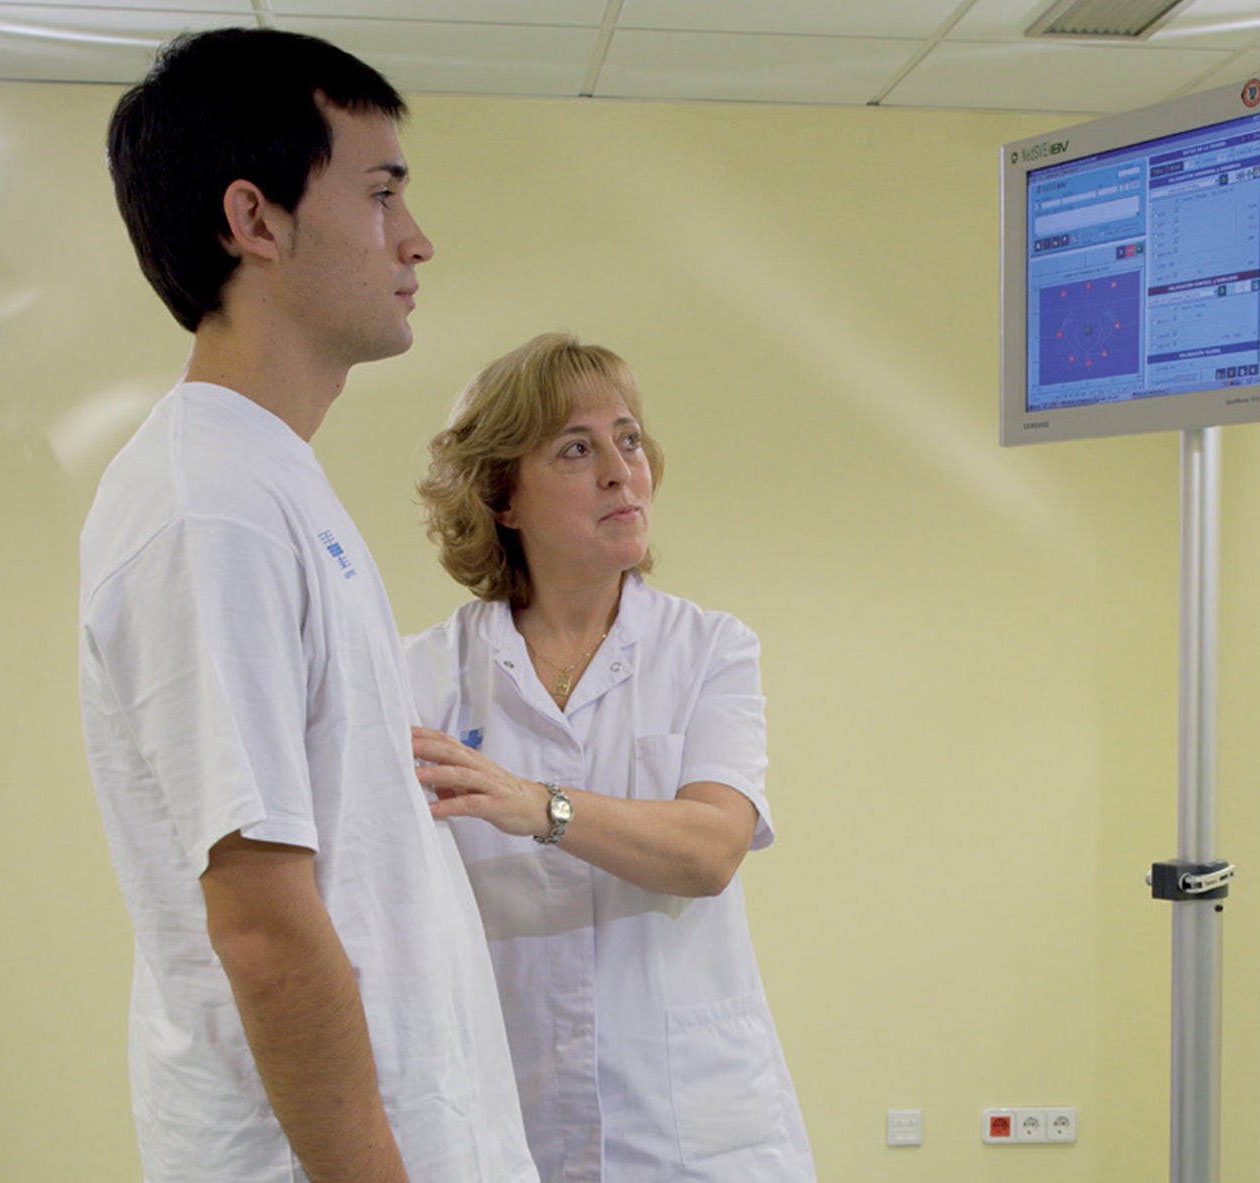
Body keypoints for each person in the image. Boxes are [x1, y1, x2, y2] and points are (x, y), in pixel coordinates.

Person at [79, 28, 538, 1182]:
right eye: (380, 194)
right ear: (256, 220)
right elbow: (261, 927)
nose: (415, 238)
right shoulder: (209, 506)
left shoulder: (272, 479)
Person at [405, 332, 816, 1182]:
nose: (619, 470)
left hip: (688, 1133)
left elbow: (711, 849)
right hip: (508, 1118)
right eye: (575, 449)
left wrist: (541, 806)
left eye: (628, 439)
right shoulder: (424, 677)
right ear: (502, 497)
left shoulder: (709, 650)